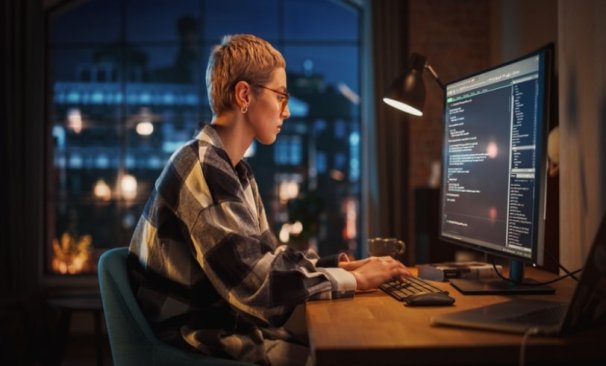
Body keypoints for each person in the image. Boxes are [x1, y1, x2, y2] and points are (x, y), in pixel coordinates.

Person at [128, 34, 411, 365]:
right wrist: (355, 279)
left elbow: (266, 258)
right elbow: (257, 287)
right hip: (197, 342)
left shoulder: (236, 170)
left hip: (228, 324)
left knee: (352, 342)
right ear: (244, 94)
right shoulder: (202, 167)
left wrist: (340, 266)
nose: (287, 112)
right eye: (281, 96)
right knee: (345, 353)